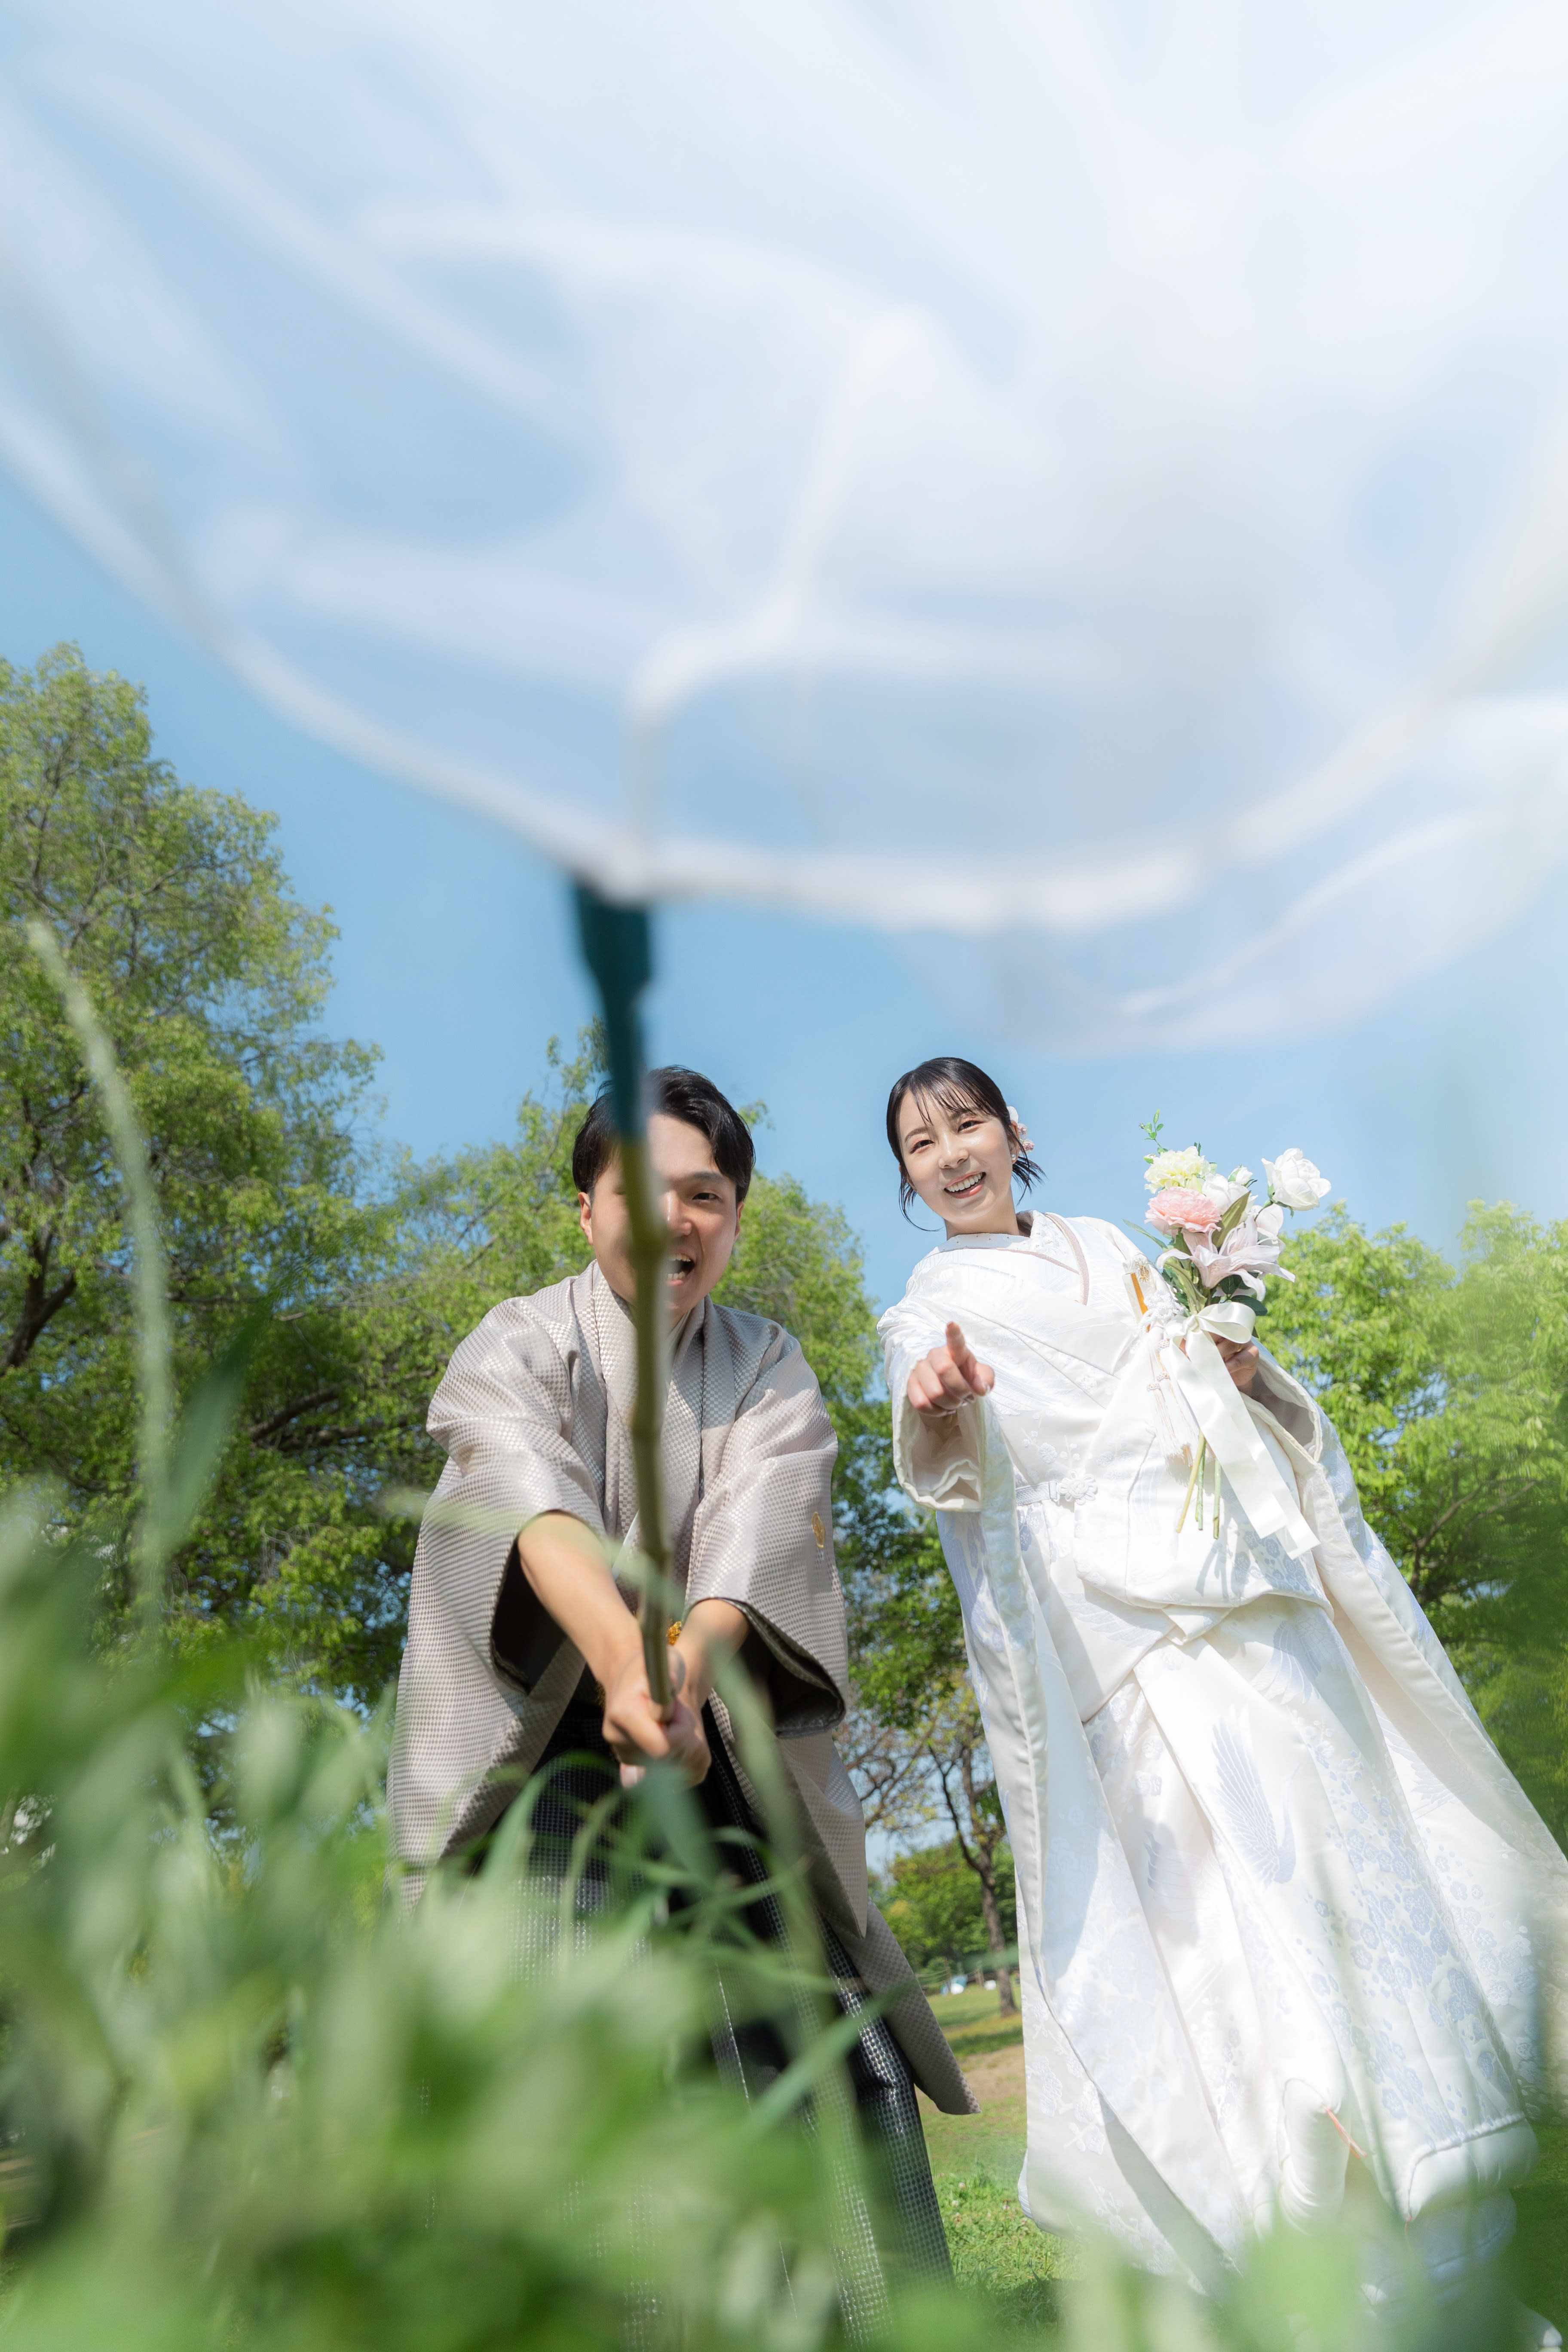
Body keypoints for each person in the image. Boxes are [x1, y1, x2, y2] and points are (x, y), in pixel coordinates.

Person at [877, 1054, 1568, 2329]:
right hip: (1124, 1639)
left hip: (1248, 1595)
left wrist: (1233, 1364)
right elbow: (930, 1423)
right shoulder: (928, 1307)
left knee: (1347, 1874)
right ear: (910, 1179)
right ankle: (1324, 2259)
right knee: (1230, 1926)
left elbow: (1209, 1388)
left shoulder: (1114, 1247)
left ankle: (1450, 2220)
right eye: (922, 1145)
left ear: (1014, 1128)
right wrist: (935, 1401)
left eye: (966, 1123)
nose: (952, 1153)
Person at [388, 1064, 974, 2303]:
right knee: (556, 2056)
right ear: (587, 1211)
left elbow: (761, 1530)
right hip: (537, 1757)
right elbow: (527, 1501)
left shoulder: (767, 1362)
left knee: (813, 2045)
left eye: (707, 1195)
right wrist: (620, 1667)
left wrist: (679, 1681)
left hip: (715, 1747)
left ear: (737, 1215)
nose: (676, 1223)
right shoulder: (519, 1341)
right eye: (642, 1193)